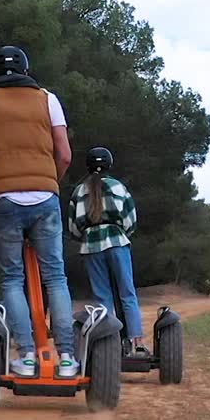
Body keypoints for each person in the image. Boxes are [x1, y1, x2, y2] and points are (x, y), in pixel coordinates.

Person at [0, 44, 79, 379]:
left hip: (3, 200)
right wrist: (49, 182)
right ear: (26, 71)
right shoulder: (48, 99)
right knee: (55, 276)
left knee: (13, 278)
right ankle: (67, 358)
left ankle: (27, 357)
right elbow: (65, 155)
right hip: (45, 196)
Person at [68, 147, 147, 357]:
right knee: (127, 294)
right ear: (109, 164)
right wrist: (122, 233)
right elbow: (131, 221)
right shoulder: (118, 187)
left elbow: (73, 227)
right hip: (116, 240)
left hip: (91, 246)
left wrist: (86, 235)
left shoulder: (79, 191)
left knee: (103, 298)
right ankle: (136, 343)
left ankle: (109, 345)